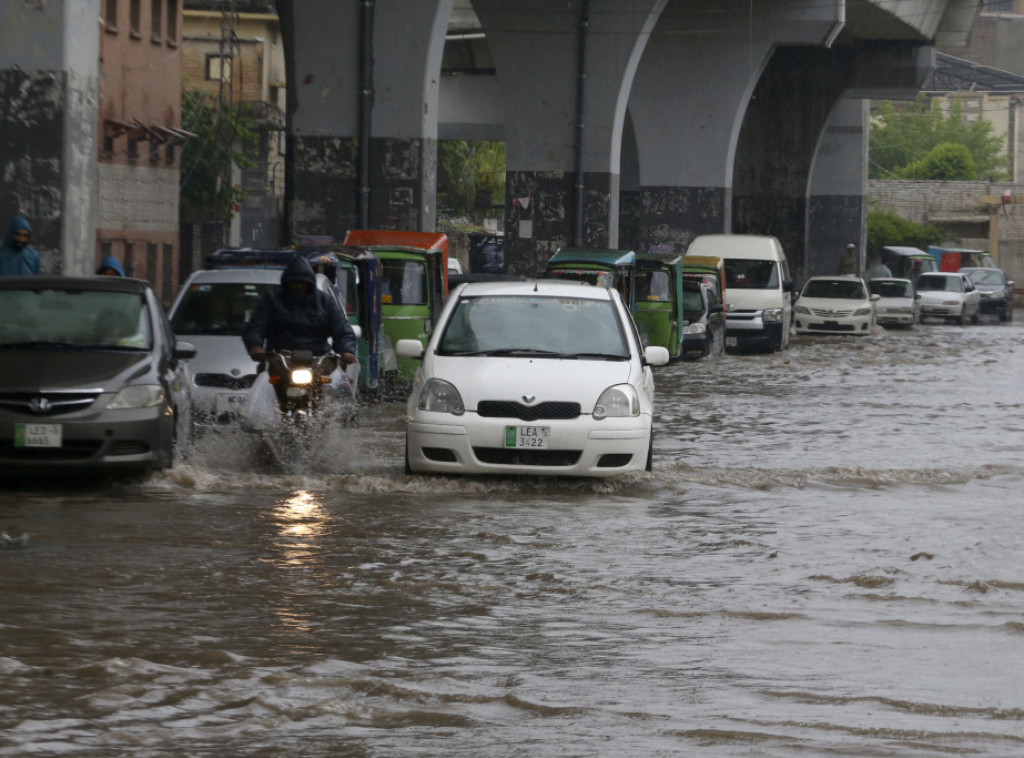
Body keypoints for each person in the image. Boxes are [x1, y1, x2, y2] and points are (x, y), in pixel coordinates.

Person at [242, 255, 358, 366]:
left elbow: (342, 329)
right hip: (279, 360)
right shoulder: (272, 299)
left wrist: (347, 350)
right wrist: (255, 346)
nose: (299, 287)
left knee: (337, 379)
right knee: (264, 378)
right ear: (287, 282)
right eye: (295, 283)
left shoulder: (325, 301)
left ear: (309, 283)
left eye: (303, 283)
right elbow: (256, 326)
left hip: (319, 360)